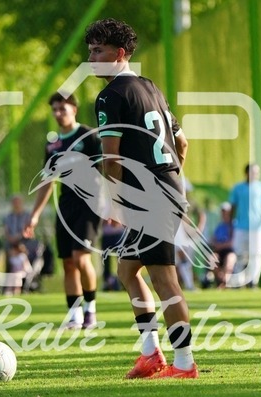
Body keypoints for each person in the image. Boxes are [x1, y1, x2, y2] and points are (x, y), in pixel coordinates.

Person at [87, 18, 198, 378]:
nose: (91, 58)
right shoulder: (150, 87)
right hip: (164, 191)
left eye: (98, 51)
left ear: (119, 53)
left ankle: (185, 363)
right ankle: (151, 354)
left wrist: (116, 200)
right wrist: (171, 180)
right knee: (127, 270)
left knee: (164, 279)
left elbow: (111, 158)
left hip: (149, 198)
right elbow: (182, 143)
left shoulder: (111, 96)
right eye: (90, 51)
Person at [24, 92, 102, 329]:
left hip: (89, 204)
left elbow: (106, 171)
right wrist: (35, 215)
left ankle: (90, 310)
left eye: (63, 109)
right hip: (66, 205)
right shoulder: (53, 145)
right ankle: (74, 315)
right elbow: (47, 181)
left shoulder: (89, 137)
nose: (58, 114)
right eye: (55, 110)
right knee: (68, 262)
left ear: (74, 110)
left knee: (81, 258)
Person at [228, 164, 261, 288]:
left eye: (257, 172)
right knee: (239, 254)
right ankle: (239, 280)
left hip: (257, 228)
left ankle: (253, 281)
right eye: (253, 172)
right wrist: (230, 224)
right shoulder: (238, 188)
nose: (255, 175)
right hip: (240, 227)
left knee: (256, 255)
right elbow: (233, 207)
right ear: (246, 173)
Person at [211, 202, 237, 288]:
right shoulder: (219, 226)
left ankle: (225, 283)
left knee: (230, 260)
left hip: (231, 251)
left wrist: (220, 245)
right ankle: (221, 281)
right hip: (219, 252)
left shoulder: (234, 225)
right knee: (212, 259)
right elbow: (214, 240)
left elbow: (233, 242)